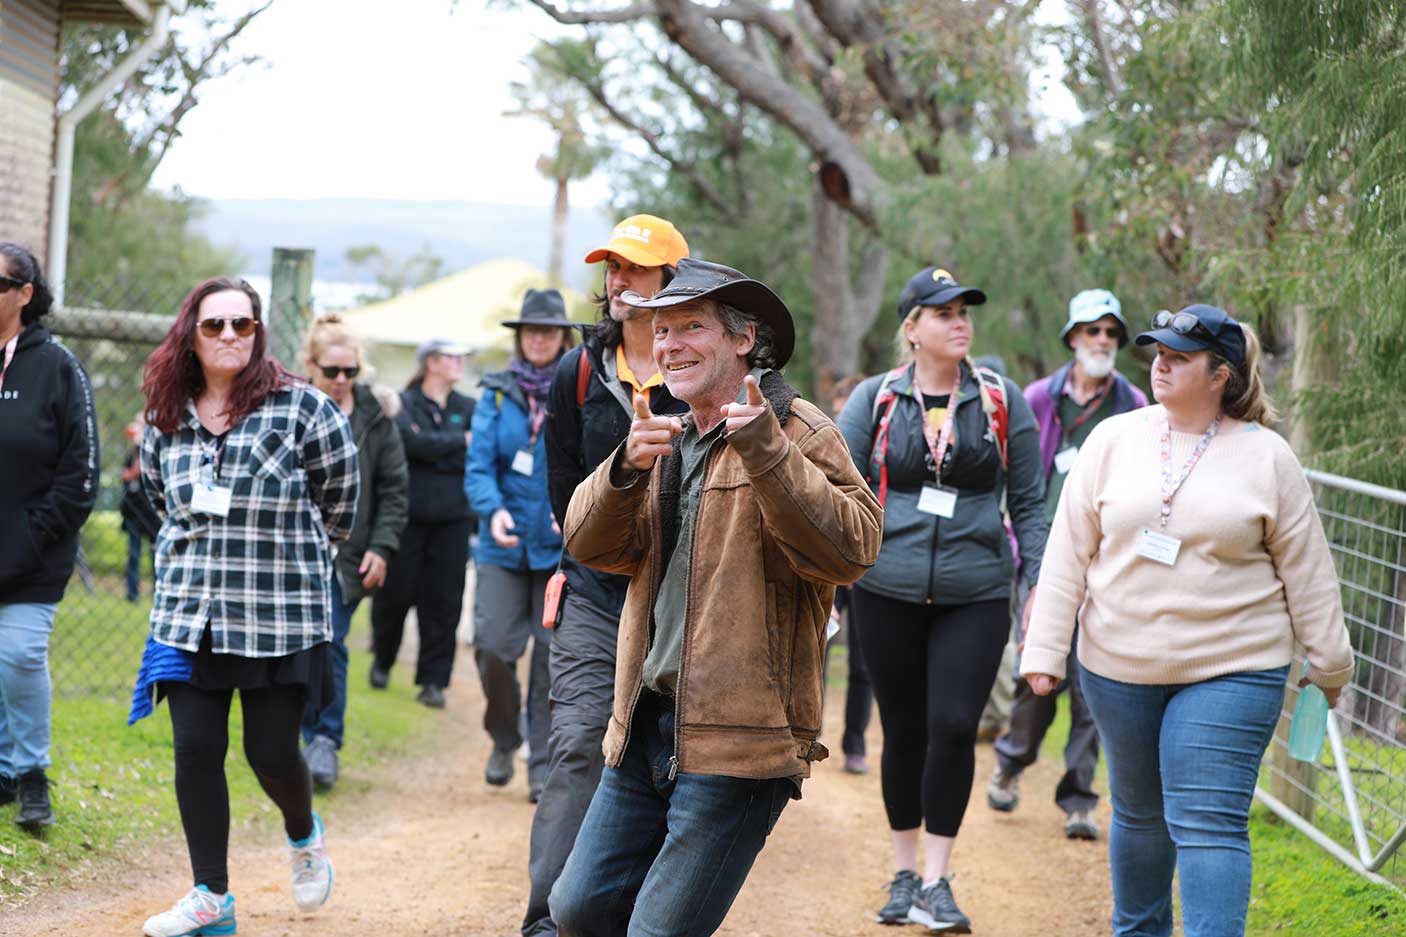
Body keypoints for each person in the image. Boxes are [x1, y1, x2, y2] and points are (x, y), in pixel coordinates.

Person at [548, 258, 883, 937]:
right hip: (645, 723)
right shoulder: (664, 433)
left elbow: (853, 549)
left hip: (741, 742)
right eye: (661, 329)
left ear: (742, 338)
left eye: (690, 326)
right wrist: (621, 471)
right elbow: (587, 545)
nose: (669, 344)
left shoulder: (799, 428)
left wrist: (766, 452)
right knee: (577, 908)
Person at [1021, 303, 1355, 937]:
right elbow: (1068, 551)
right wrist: (1044, 650)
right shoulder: (1114, 439)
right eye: (1158, 353)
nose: (1161, 364)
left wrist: (1330, 661)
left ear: (1221, 374)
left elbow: (1309, 572)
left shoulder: (1268, 459)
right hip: (1117, 666)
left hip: (1233, 668)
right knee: (1140, 814)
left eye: (1179, 357)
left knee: (1206, 822)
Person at [135, 277, 359, 936]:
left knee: (270, 752)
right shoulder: (164, 417)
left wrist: (286, 557)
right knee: (195, 749)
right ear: (191, 334)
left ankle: (303, 832)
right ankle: (211, 895)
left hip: (278, 614)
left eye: (241, 324)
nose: (229, 335)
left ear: (259, 332)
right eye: (214, 325)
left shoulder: (305, 410)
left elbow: (340, 504)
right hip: (188, 611)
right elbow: (157, 502)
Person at [835, 265, 1048, 933]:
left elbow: (1032, 502)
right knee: (901, 732)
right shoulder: (874, 399)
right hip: (886, 587)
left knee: (955, 725)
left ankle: (937, 878)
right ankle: (903, 871)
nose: (961, 321)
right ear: (912, 327)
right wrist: (832, 585)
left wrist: (1035, 583)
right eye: (944, 311)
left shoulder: (998, 398)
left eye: (965, 310)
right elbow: (835, 492)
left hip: (975, 591)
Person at [524, 213, 689, 937]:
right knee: (581, 744)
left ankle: (630, 916)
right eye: (611, 268)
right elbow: (564, 499)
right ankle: (543, 921)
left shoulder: (708, 371)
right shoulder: (579, 371)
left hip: (686, 601)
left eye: (634, 268)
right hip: (595, 591)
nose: (618, 281)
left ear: (672, 283)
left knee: (670, 763)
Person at [987, 288, 1148, 841]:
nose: (1102, 341)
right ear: (1073, 338)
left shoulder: (1135, 405)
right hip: (1042, 557)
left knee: (1094, 684)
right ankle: (1011, 760)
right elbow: (1010, 472)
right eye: (1092, 331)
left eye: (1110, 332)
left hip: (1108, 563)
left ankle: (1079, 797)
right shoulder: (1035, 397)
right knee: (1037, 672)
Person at [0, 242, 98, 830]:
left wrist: (30, 538)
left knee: (17, 653)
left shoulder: (58, 366)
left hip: (33, 551)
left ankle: (32, 774)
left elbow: (81, 473)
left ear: (24, 294)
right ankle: (4, 771)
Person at [466, 289, 575, 797]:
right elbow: (478, 467)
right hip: (502, 545)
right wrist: (494, 511)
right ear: (519, 337)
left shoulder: (578, 390)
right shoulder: (494, 393)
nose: (538, 338)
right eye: (530, 330)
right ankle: (503, 738)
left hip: (557, 549)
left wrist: (572, 511)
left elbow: (588, 461)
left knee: (552, 655)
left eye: (548, 331)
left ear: (562, 338)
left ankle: (540, 765)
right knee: (491, 647)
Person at [299, 314, 409, 791]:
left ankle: (323, 740)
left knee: (328, 643)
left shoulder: (374, 416)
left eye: (350, 373)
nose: (341, 382)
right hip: (292, 550)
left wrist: (382, 548)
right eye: (331, 372)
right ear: (311, 367)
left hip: (348, 554)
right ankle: (294, 738)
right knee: (298, 648)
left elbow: (394, 489)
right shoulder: (291, 407)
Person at [370, 337, 474, 708]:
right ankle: (382, 659)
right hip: (408, 518)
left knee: (444, 602)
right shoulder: (405, 402)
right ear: (431, 362)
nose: (460, 363)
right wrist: (456, 442)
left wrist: (434, 447)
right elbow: (406, 446)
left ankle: (433, 682)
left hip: (453, 520)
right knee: (394, 594)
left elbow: (469, 452)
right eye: (452, 356)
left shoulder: (469, 406)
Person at [825, 374, 873, 776]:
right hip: (831, 560)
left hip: (871, 564)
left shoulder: (884, 447)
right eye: (840, 414)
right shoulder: (824, 444)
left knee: (863, 660)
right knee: (815, 647)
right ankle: (808, 731)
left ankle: (855, 742)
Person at [120, 414, 161, 603]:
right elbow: (126, 474)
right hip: (132, 510)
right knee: (133, 555)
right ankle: (132, 592)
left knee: (155, 554)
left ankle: (157, 590)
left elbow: (141, 474)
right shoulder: (132, 455)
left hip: (151, 513)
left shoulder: (152, 454)